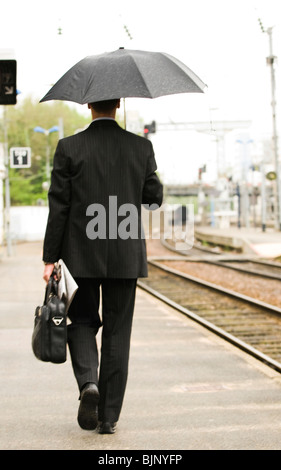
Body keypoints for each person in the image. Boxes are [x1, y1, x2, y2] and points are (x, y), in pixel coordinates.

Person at [42, 99, 163, 434]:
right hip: (125, 256)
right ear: (119, 104)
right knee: (117, 332)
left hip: (79, 254)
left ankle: (88, 385)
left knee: (80, 321)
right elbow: (154, 198)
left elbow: (59, 207)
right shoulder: (141, 147)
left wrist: (50, 258)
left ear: (89, 105)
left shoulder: (69, 147)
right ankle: (108, 417)